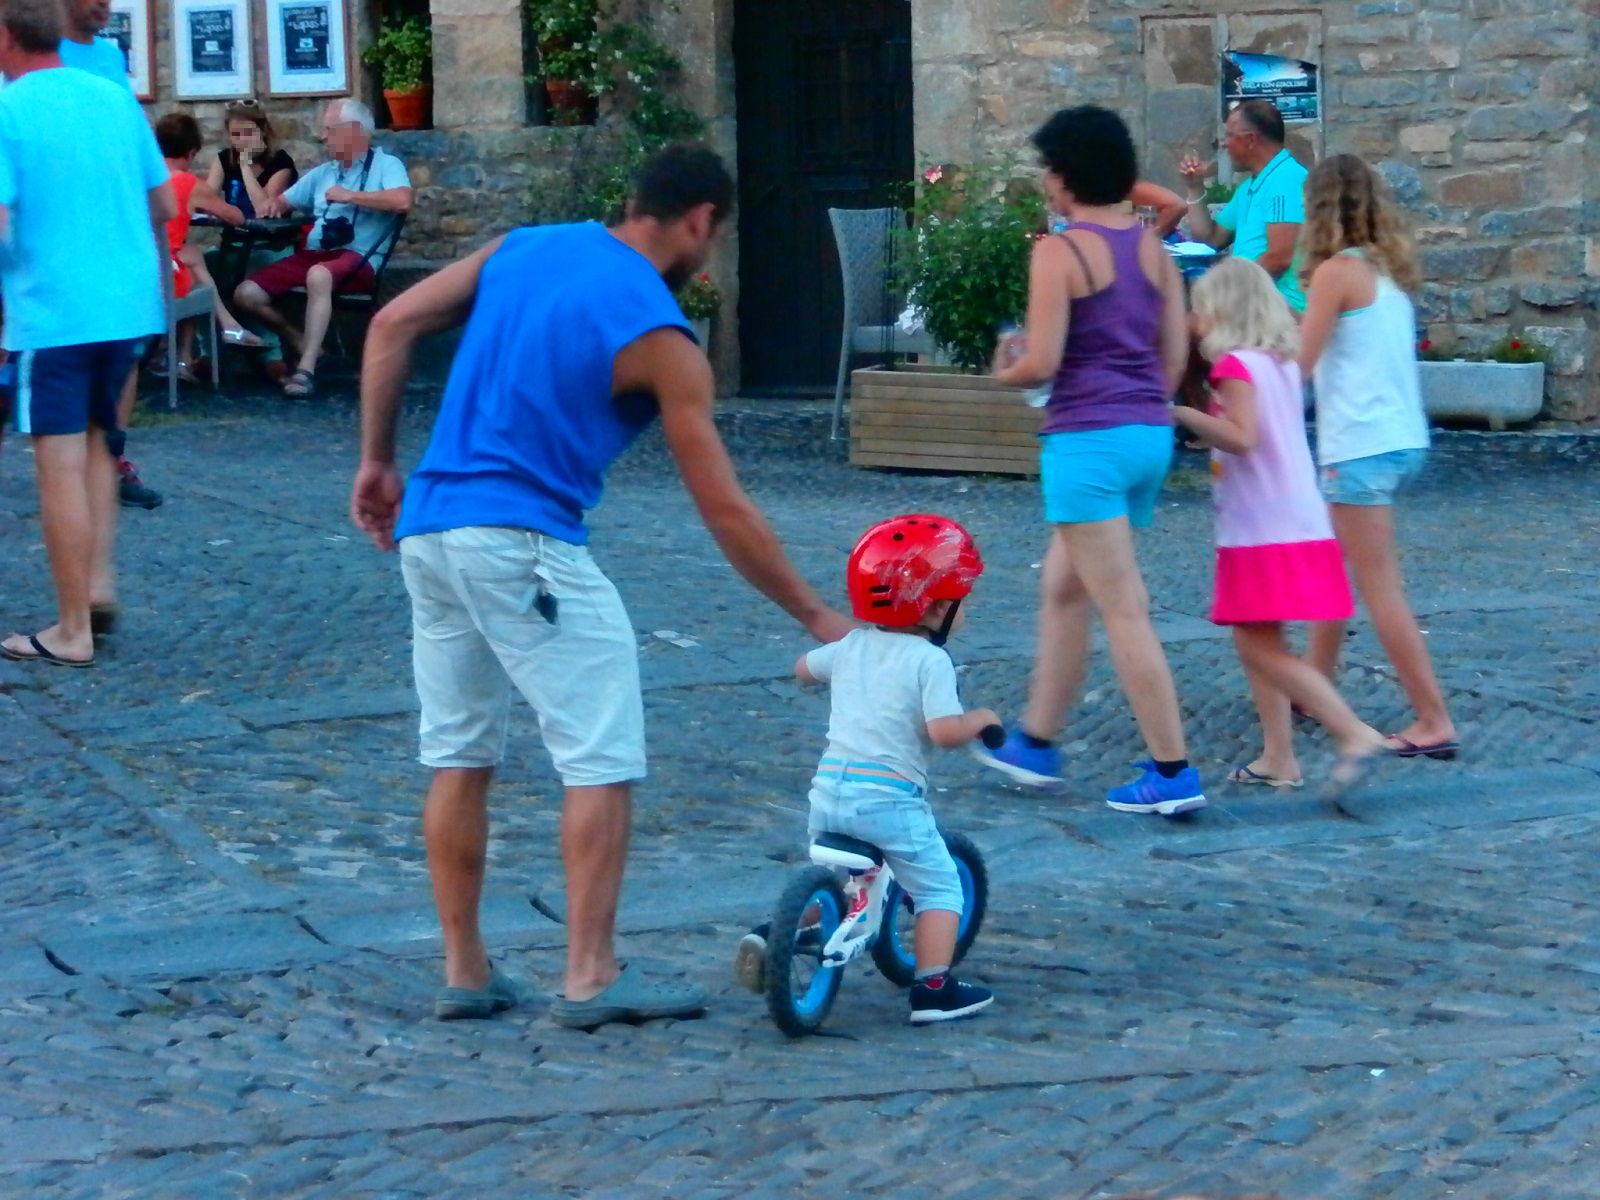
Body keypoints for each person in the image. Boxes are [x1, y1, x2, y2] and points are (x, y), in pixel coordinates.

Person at [349, 143, 853, 1029]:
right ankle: (589, 973)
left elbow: (391, 325)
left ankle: (466, 969)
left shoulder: (527, 246)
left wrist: (379, 461)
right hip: (523, 543)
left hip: (430, 531)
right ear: (701, 223)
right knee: (601, 754)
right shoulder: (660, 336)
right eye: (716, 236)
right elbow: (725, 510)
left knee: (460, 751)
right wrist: (817, 615)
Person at [974, 105, 1204, 817]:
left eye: (1047, 169)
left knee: (1124, 609)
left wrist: (1001, 371)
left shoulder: (1058, 252)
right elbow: (1173, 360)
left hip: (1085, 444)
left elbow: (1041, 359)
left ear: (1066, 175)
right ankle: (1035, 740)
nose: (1044, 182)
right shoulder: (1153, 252)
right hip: (1145, 436)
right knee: (1065, 590)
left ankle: (1172, 770)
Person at [736, 514, 1000, 1025]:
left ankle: (777, 935)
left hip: (829, 795)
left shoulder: (853, 645)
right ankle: (934, 989)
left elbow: (802, 669)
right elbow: (945, 733)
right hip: (887, 801)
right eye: (962, 598)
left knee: (839, 881)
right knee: (941, 887)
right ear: (938, 605)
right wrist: (983, 720)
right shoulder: (929, 662)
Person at [1172, 258, 1386, 805]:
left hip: (1260, 528)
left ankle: (1352, 730)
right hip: (1298, 519)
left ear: (1221, 311)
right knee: (1262, 639)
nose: (1193, 323)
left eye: (1198, 310)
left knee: (1258, 646)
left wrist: (1182, 415)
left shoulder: (1234, 368)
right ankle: (1278, 757)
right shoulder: (1282, 364)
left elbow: (1241, 438)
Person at [0, 0, 174, 666]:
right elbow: (162, 204)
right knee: (104, 447)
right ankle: (97, 587)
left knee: (59, 466)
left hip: (57, 311)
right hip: (129, 309)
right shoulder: (113, 98)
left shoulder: (8, 113)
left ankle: (71, 629)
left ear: (7, 35)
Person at [1297, 154, 1457, 760]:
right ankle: (1315, 685)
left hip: (1358, 447)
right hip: (1400, 438)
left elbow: (1300, 367)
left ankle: (1434, 717)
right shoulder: (1382, 275)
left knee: (1378, 588)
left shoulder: (1337, 273)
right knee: (1334, 573)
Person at [56, 0, 162, 509]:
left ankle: (112, 457)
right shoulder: (33, 57)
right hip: (56, 227)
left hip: (113, 225)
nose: (105, 4)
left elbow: (132, 141)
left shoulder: (110, 56)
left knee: (126, 346)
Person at [234, 99, 411, 398]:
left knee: (318, 275)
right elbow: (279, 203)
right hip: (316, 254)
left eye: (329, 130)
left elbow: (403, 201)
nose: (323, 137)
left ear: (354, 132)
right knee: (245, 294)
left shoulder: (385, 165)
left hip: (359, 258)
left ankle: (305, 371)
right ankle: (300, 340)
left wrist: (351, 197)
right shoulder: (323, 172)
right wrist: (274, 203)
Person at [153, 112, 266, 381]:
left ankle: (183, 359)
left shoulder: (144, 177)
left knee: (190, 255)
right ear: (191, 152)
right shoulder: (186, 182)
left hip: (143, 268)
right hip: (164, 280)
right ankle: (225, 328)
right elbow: (236, 216)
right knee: (191, 264)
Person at [1178, 99, 1308, 314]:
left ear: (1250, 140)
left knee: (1189, 328)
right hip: (1257, 298)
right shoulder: (1252, 185)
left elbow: (1280, 257)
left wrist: (1230, 293)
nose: (1224, 144)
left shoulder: (1286, 179)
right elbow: (1209, 239)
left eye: (1230, 135)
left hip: (1281, 307)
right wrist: (1194, 188)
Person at [205, 99, 299, 382]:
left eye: (248, 133)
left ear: (262, 132)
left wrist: (245, 168)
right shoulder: (223, 160)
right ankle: (205, 355)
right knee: (198, 277)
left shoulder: (281, 163)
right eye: (235, 134)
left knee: (252, 275)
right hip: (233, 244)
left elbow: (264, 209)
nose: (241, 141)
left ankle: (273, 357)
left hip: (270, 246)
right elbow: (206, 199)